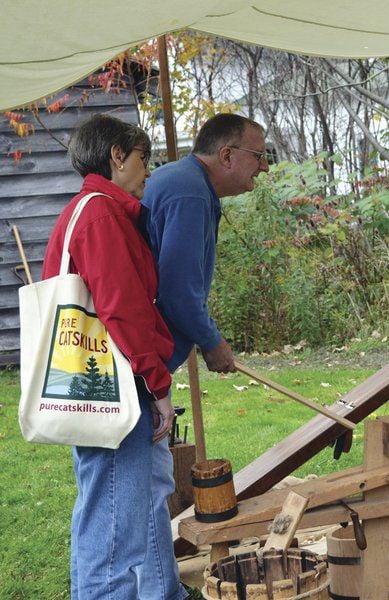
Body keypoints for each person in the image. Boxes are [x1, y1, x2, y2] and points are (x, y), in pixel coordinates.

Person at [42, 114, 187, 599]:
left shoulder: (94, 210)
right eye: (143, 159)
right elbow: (123, 309)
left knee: (140, 504)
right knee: (112, 523)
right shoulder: (101, 213)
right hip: (115, 383)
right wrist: (157, 385)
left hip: (104, 379)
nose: (148, 170)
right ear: (116, 156)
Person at [139, 113, 269, 584]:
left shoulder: (184, 182)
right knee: (139, 489)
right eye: (259, 155)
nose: (264, 166)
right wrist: (212, 342)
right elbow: (176, 292)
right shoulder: (191, 192)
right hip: (139, 361)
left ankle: (160, 589)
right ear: (227, 154)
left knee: (150, 484)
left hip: (145, 360)